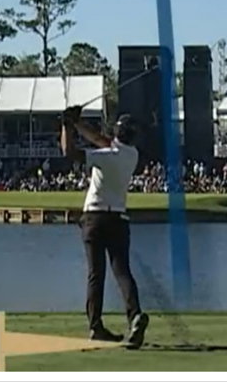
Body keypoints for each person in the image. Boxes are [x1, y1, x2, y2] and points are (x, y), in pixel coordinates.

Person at [61, 109, 149, 349]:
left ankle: (96, 326)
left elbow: (69, 153)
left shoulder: (105, 156)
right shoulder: (131, 154)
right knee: (122, 271)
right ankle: (135, 316)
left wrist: (67, 127)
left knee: (95, 274)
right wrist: (78, 123)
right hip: (119, 219)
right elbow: (101, 140)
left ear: (117, 131)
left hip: (95, 219)